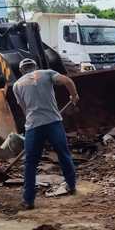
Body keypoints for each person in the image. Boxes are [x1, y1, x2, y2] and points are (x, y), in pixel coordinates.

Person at [13, 58, 80, 210]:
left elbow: (23, 108)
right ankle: (71, 185)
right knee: (63, 154)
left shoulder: (17, 85)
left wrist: (30, 120)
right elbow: (67, 80)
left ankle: (28, 200)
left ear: (22, 71)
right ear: (35, 67)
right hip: (53, 122)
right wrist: (74, 95)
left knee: (30, 163)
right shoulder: (46, 73)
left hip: (33, 126)